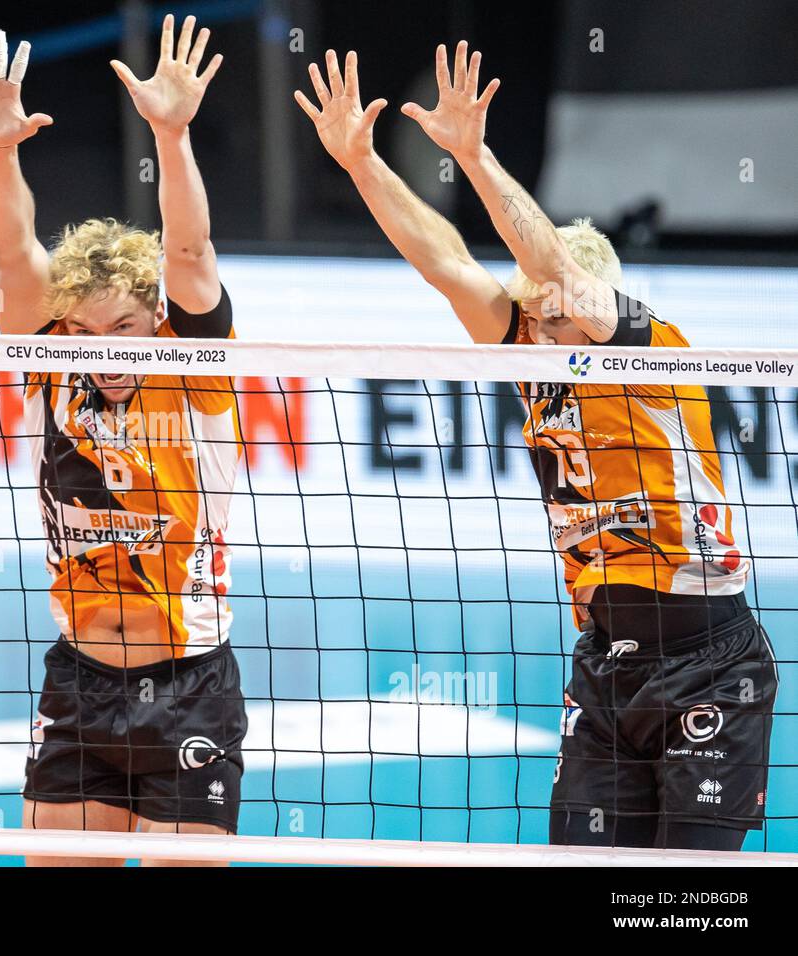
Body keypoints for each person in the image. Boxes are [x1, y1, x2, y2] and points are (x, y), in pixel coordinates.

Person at [296, 42, 776, 850]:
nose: (546, 331)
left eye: (560, 316)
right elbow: (445, 261)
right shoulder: (527, 351)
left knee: (690, 898)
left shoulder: (647, 346)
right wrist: (360, 162)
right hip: (604, 665)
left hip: (711, 661)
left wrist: (474, 155)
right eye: (536, 318)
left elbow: (547, 262)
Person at [0, 15, 246, 866]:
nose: (105, 348)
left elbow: (189, 250)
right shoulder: (54, 371)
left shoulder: (195, 373)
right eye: (84, 331)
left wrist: (171, 133)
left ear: (157, 320)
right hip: (78, 683)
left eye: (123, 327)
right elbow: (14, 257)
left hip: (189, 689)